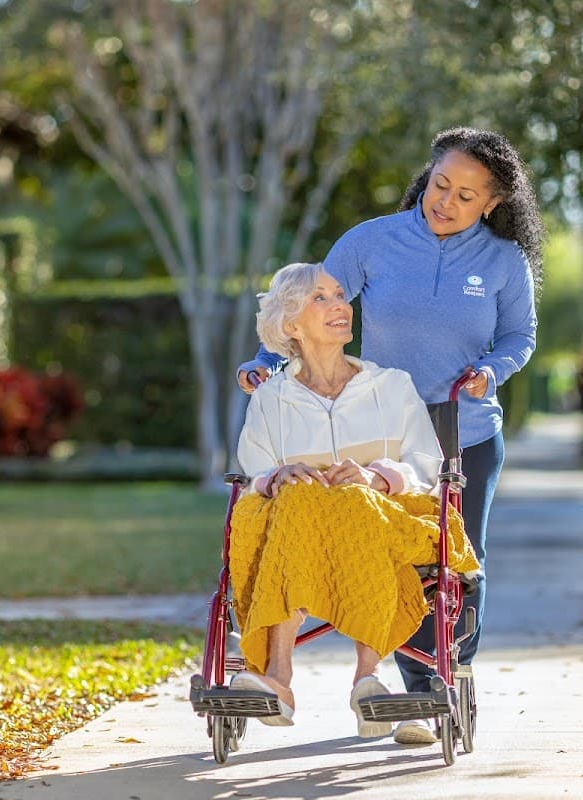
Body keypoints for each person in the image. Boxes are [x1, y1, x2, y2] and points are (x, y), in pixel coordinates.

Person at [236, 126, 544, 744]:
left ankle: (443, 673)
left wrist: (491, 370)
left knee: (457, 561)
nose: (446, 201)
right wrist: (271, 365)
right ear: (426, 178)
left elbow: (519, 337)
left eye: (465, 195)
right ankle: (416, 694)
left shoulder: (503, 262)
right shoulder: (371, 241)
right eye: (440, 184)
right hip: (376, 422)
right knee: (391, 546)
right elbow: (311, 307)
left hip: (465, 427)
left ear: (491, 204)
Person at [229, 261, 479, 737]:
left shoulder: (392, 386)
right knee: (299, 493)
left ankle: (369, 675)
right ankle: (278, 678)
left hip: (386, 517)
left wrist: (377, 478)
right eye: (319, 298)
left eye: (340, 295)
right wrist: (278, 475)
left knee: (353, 500)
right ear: (290, 325)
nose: (339, 305)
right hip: (299, 528)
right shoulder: (271, 400)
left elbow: (428, 465)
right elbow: (253, 474)